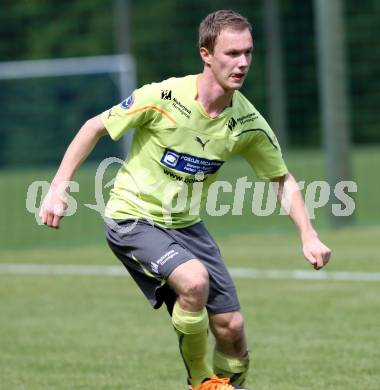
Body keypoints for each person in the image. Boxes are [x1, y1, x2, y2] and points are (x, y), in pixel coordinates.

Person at [40, 9, 331, 390]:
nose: (242, 63)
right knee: (194, 282)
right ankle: (200, 382)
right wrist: (59, 187)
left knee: (232, 328)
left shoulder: (248, 123)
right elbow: (94, 126)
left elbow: (282, 178)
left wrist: (308, 235)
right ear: (206, 54)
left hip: (186, 225)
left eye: (248, 52)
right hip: (132, 218)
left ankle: (230, 385)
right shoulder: (162, 97)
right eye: (231, 53)